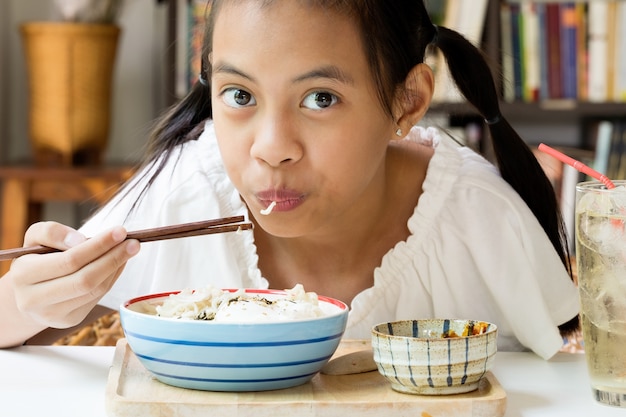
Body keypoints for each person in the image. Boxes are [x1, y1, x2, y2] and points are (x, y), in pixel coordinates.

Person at [0, 0, 579, 358]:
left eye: (320, 98)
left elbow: (571, 371)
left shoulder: (473, 218)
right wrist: (34, 301)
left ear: (407, 102)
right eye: (240, 95)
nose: (272, 147)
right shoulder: (187, 192)